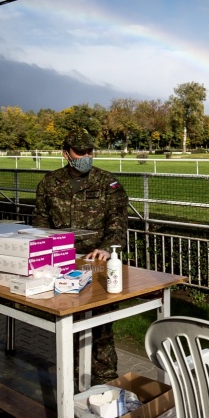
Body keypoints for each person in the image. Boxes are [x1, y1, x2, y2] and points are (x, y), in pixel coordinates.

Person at [32, 127, 129, 384]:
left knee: (101, 324)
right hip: (62, 263)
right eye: (80, 151)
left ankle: (106, 378)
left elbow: (118, 220)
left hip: (97, 262)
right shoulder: (50, 183)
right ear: (66, 154)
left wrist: (108, 247)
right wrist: (45, 254)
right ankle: (72, 377)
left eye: (90, 151)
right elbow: (40, 223)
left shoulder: (108, 182)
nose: (86, 155)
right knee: (67, 319)